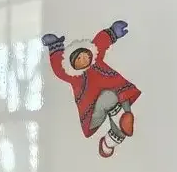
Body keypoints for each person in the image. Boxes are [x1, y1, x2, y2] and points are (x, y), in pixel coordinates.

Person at [44, 21, 141, 158]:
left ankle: (110, 141)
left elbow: (100, 42)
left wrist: (112, 32)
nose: (84, 58)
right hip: (93, 112)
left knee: (120, 98)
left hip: (118, 96)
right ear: (72, 65)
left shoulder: (96, 59)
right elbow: (59, 68)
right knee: (109, 96)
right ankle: (121, 120)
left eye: (85, 55)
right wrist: (54, 46)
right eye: (79, 58)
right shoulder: (75, 77)